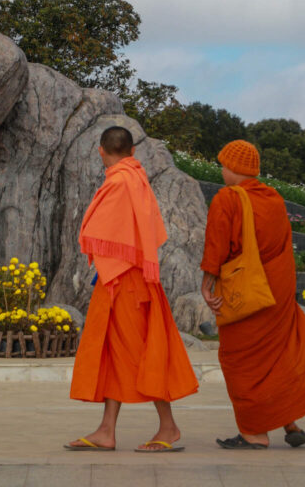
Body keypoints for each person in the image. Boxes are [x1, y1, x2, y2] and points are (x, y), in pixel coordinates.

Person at [201, 139, 305, 450]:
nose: (221, 171)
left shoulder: (228, 199)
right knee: (278, 358)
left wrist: (207, 282)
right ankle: (289, 422)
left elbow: (217, 245)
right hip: (276, 290)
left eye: (223, 165)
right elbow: (283, 248)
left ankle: (255, 433)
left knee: (240, 360)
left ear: (234, 169)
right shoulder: (274, 199)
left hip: (246, 294)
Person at [67, 125, 198, 453]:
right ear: (133, 151)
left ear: (101, 151)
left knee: (141, 351)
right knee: (115, 353)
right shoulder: (137, 179)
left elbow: (101, 231)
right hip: (126, 280)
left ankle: (168, 427)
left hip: (126, 282)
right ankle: (106, 430)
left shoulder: (119, 182)